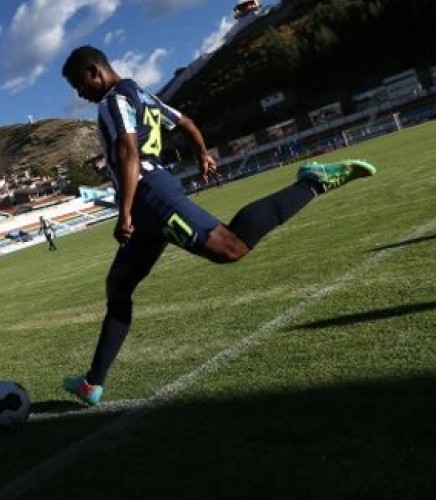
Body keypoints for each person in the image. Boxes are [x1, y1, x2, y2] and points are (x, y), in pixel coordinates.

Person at [59, 46, 376, 405]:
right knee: (118, 286)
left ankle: (312, 181)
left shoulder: (113, 101)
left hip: (150, 197)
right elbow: (186, 123)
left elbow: (127, 152)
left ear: (93, 71)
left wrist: (126, 212)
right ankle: (92, 382)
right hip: (148, 198)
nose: (79, 94)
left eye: (77, 84)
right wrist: (202, 152)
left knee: (230, 248)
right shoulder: (141, 94)